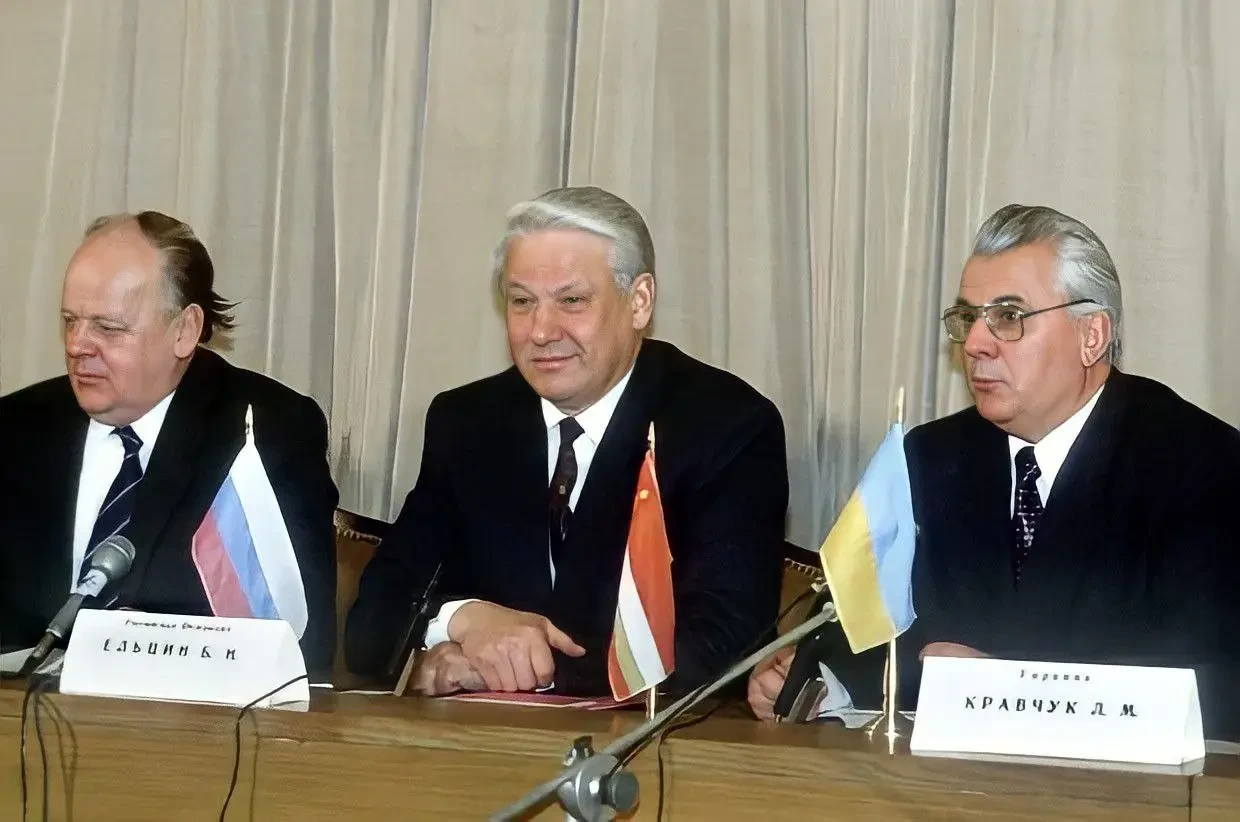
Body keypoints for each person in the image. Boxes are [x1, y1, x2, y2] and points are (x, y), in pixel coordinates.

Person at [748, 204, 1240, 739]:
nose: (976, 344)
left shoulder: (1203, 467)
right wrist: (820, 683)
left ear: (1092, 336)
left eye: (1008, 317)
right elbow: (869, 634)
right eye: (968, 319)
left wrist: (1008, 692)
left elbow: (1213, 688)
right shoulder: (929, 459)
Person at [346, 185, 788, 696]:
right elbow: (369, 627)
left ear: (639, 302)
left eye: (571, 301)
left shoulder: (725, 426)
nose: (540, 331)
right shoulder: (468, 422)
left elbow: (722, 649)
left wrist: (511, 667)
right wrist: (462, 620)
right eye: (521, 302)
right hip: (477, 739)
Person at [0, 212, 339, 673]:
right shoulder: (16, 427)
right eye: (70, 321)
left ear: (184, 330)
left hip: (186, 713)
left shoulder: (265, 432)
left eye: (108, 327)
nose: (78, 344)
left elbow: (300, 643)